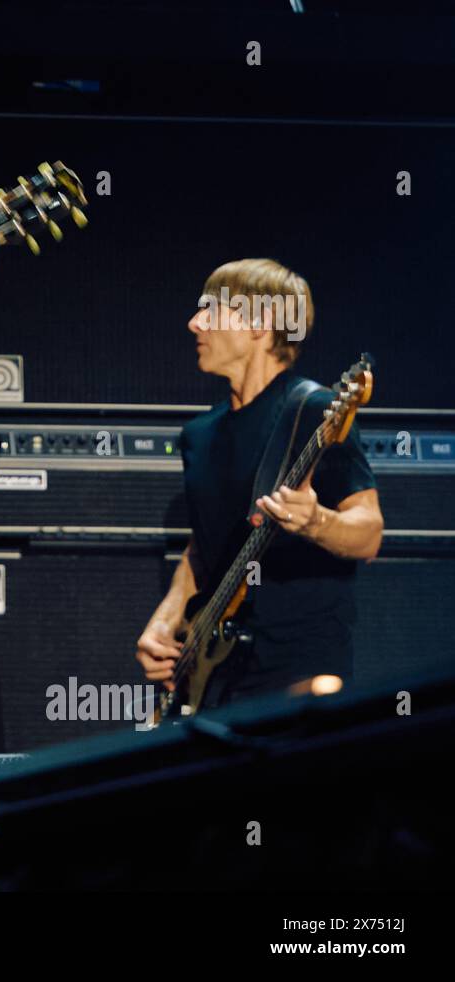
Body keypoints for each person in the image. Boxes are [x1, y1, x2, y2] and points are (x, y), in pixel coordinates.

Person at [135, 259, 384, 708]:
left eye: (211, 310)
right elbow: (202, 549)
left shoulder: (318, 411)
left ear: (260, 323)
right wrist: (165, 620)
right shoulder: (198, 435)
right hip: (214, 676)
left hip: (298, 670)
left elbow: (369, 533)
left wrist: (315, 521)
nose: (194, 323)